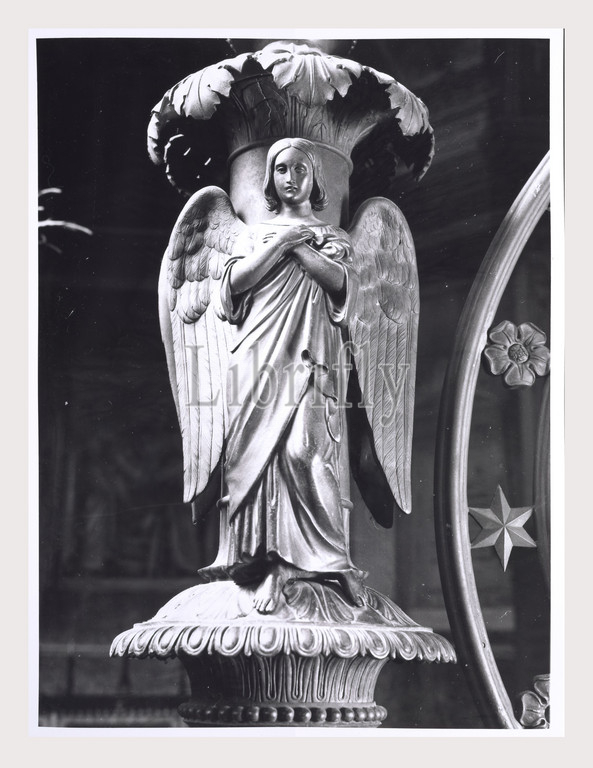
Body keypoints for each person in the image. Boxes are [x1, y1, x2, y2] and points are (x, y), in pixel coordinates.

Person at [198, 138, 366, 612]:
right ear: (270, 180)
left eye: (300, 170)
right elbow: (233, 285)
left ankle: (334, 562)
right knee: (261, 459)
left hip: (313, 358)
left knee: (304, 452)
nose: (290, 179)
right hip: (258, 358)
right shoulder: (254, 235)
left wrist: (298, 246)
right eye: (281, 170)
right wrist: (284, 242)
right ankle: (269, 564)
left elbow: (342, 284)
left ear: (315, 179)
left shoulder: (332, 237)